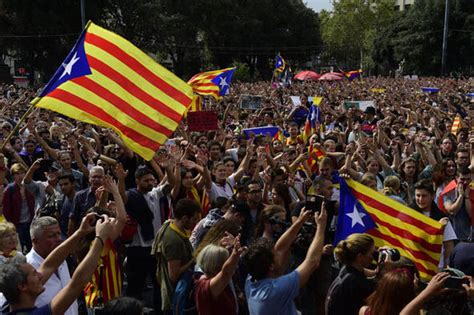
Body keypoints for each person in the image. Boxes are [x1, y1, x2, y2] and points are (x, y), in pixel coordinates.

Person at [0, 213, 115, 315]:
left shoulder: (5, 306)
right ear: (22, 286)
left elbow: (49, 265)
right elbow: (76, 284)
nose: (40, 275)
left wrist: (80, 232)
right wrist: (100, 239)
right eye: (34, 274)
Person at [243, 206, 327, 315]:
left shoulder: (250, 281)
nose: (277, 254)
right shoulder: (274, 291)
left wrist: (300, 221)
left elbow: (279, 249)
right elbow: (312, 262)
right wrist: (321, 227)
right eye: (274, 257)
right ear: (271, 266)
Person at [152, 199, 201, 313]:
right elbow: (173, 275)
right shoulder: (173, 240)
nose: (195, 223)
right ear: (184, 218)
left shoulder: (173, 226)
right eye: (194, 220)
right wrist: (194, 259)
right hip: (175, 296)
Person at [26, 216, 78, 315]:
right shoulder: (26, 268)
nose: (59, 239)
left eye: (59, 233)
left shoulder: (62, 259)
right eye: (51, 236)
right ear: (35, 241)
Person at [325, 233, 377, 315]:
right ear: (360, 257)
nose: (373, 257)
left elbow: (362, 271)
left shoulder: (347, 269)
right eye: (372, 253)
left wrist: (377, 271)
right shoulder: (357, 283)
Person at [194, 237, 245, 315]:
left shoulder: (207, 279)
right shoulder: (204, 287)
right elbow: (226, 273)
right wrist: (235, 254)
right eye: (226, 260)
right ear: (218, 266)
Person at [2, 163, 35, 252]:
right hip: (17, 225)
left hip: (30, 223)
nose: (20, 176)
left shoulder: (30, 186)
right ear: (13, 176)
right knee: (17, 250)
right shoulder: (9, 189)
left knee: (32, 248)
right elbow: (6, 211)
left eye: (22, 173)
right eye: (17, 174)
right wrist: (12, 225)